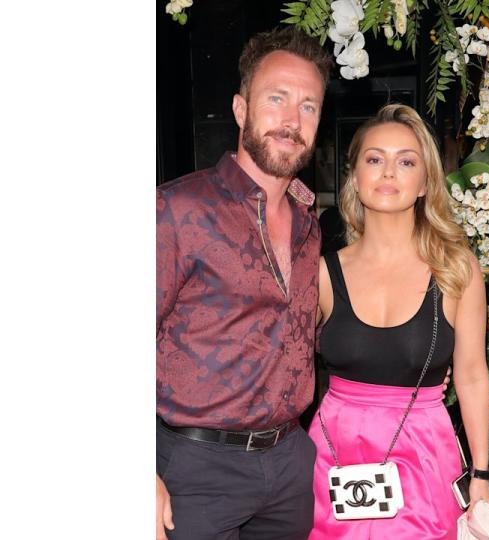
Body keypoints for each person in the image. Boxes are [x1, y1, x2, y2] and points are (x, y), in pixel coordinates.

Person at [156, 27, 332, 540]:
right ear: (240, 109)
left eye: (308, 106)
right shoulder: (177, 209)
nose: (291, 120)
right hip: (194, 468)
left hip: (289, 466)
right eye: (276, 99)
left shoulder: (309, 226)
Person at [308, 103, 489, 539]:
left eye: (406, 161)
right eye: (375, 159)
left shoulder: (457, 269)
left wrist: (481, 475)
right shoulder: (320, 272)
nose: (389, 173)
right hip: (333, 458)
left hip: (423, 456)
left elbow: (470, 376)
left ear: (425, 181)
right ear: (354, 175)